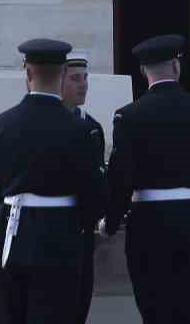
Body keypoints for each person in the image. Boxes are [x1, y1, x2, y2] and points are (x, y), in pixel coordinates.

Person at [104, 34, 190, 324]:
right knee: (188, 307)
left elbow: (121, 177)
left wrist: (109, 221)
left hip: (150, 223)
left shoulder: (129, 116)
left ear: (143, 71)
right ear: (176, 66)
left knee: (154, 309)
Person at [0, 39, 106, 324]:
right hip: (61, 243)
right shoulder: (80, 130)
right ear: (63, 73)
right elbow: (95, 198)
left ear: (27, 74)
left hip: (11, 239)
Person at [61, 53, 105, 323]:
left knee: (80, 308)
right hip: (54, 232)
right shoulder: (49, 125)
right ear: (59, 80)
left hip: (83, 236)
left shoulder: (92, 128)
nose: (84, 85)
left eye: (86, 78)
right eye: (75, 78)